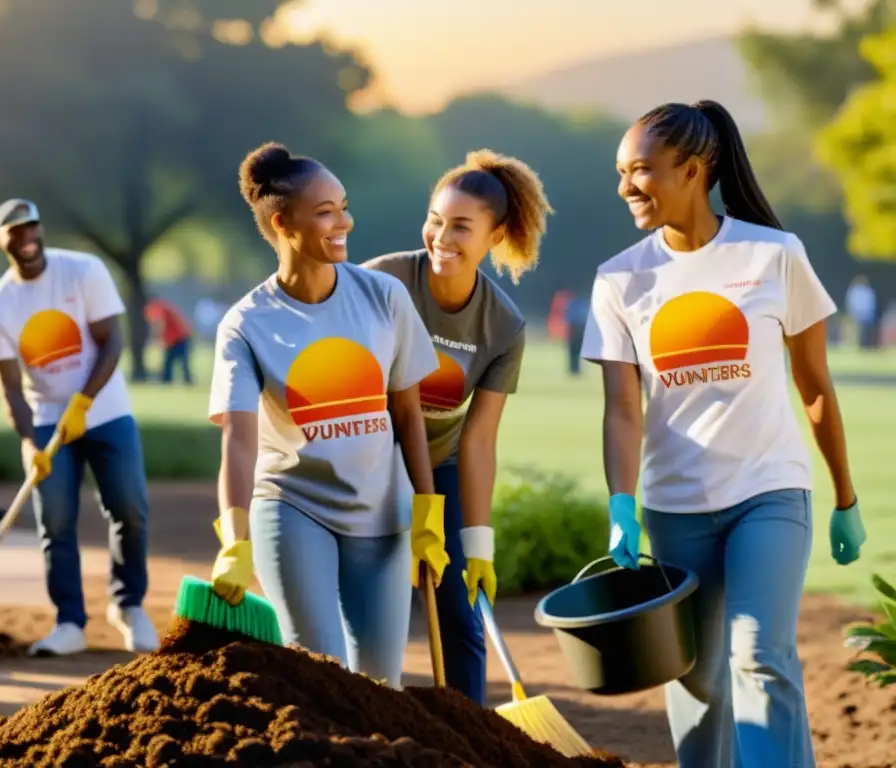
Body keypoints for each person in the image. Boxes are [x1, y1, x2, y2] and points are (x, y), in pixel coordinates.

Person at [580, 100, 867, 768]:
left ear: (693, 168)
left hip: (768, 493)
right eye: (621, 172)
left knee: (759, 656)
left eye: (641, 171)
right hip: (675, 507)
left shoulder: (775, 255)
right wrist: (621, 502)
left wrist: (845, 499)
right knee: (699, 680)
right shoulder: (620, 278)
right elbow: (622, 408)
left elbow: (816, 387)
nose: (625, 187)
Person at [207, 142, 446, 689]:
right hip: (294, 506)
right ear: (282, 223)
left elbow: (408, 415)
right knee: (323, 673)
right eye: (326, 212)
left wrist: (427, 510)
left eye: (343, 206)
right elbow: (239, 442)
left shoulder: (383, 296)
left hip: (381, 511)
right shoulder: (246, 323)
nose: (344, 222)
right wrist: (234, 538)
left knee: (381, 686)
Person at [363, 149, 553, 704]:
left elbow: (478, 441)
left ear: (494, 237)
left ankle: (466, 739)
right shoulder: (382, 281)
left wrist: (479, 547)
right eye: (436, 220)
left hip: (441, 465)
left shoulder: (503, 325)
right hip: (366, 459)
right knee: (378, 608)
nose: (442, 237)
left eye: (462, 227)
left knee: (462, 621)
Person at [0, 198, 157, 656]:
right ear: (1, 240)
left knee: (129, 508)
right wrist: (28, 443)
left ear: (41, 228)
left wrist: (84, 401)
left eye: (31, 226)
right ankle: (69, 621)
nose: (26, 238)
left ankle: (130, 605)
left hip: (106, 410)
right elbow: (11, 390)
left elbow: (112, 340)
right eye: (14, 231)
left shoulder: (83, 270)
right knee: (55, 520)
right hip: (44, 419)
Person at [145, 296, 194, 385]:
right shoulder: (163, 305)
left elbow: (159, 323)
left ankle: (185, 382)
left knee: (181, 363)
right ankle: (168, 382)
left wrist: (156, 338)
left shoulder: (156, 308)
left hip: (180, 337)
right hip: (175, 338)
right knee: (169, 363)